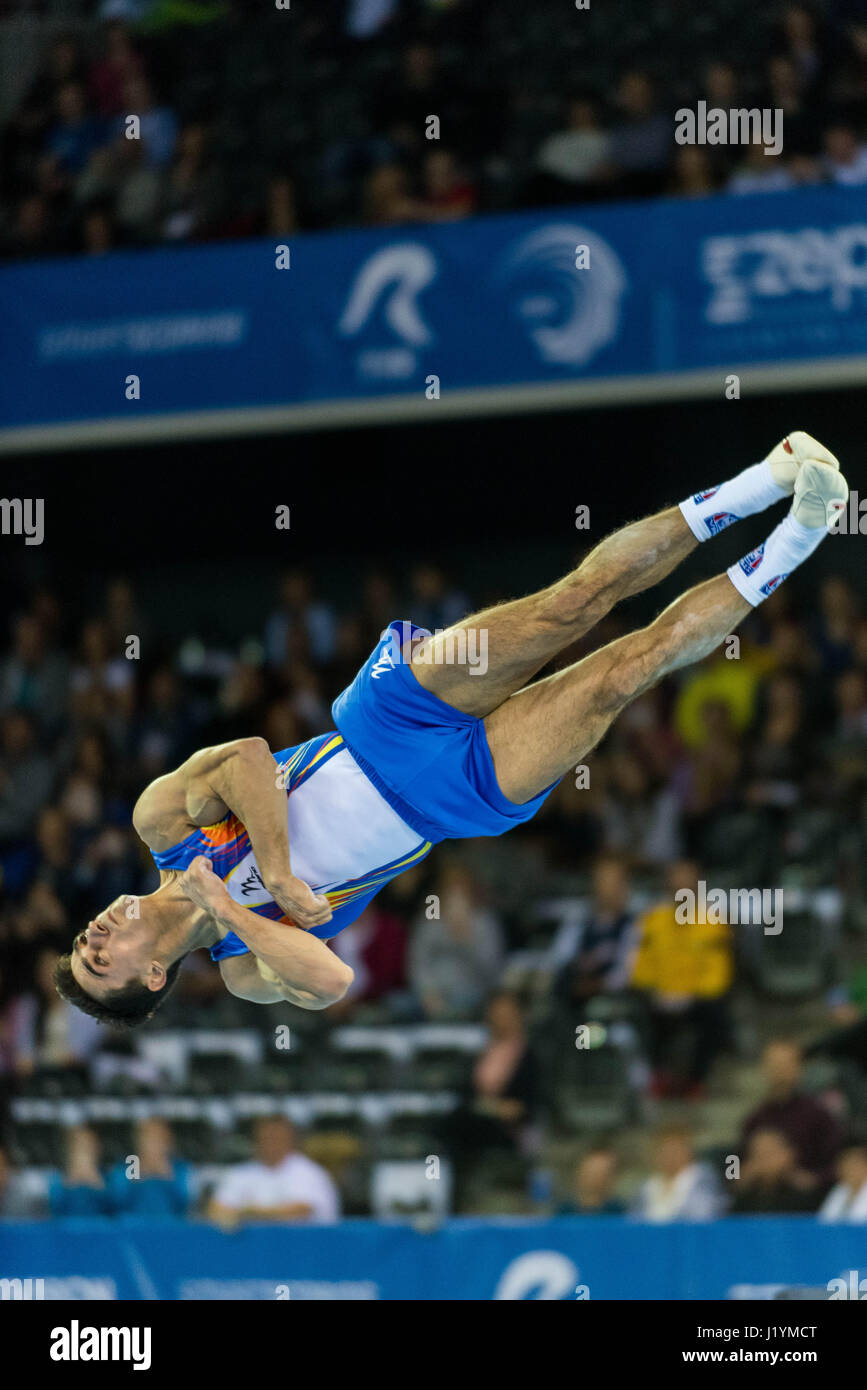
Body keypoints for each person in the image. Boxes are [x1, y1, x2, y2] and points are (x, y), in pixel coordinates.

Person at [54, 433, 848, 1028]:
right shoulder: (242, 968)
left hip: (384, 720)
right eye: (100, 958)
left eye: (81, 941)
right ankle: (796, 539)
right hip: (451, 800)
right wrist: (231, 911)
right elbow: (329, 985)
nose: (93, 933)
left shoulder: (158, 825)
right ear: (152, 975)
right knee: (624, 671)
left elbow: (248, 758)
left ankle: (759, 480)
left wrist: (274, 868)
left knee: (570, 605)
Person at [739, 1039, 843, 1187]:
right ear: (763, 1068)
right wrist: (743, 1173)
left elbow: (839, 1162)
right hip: (759, 1200)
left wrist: (811, 1179)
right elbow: (733, 1159)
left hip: (804, 1202)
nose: (779, 1071)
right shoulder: (755, 1119)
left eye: (785, 1064)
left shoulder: (818, 1115)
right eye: (773, 1065)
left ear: (799, 1068)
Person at [207, 1116, 339, 1227]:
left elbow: (301, 1210)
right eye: (266, 1137)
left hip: (305, 1248)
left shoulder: (309, 1172)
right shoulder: (240, 1174)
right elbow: (215, 1209)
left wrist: (247, 1212)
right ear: (256, 1140)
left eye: (277, 1137)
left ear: (290, 1139)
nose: (271, 1143)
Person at [633, 1124, 723, 1222]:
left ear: (688, 1150)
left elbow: (705, 1215)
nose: (670, 1155)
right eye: (665, 1150)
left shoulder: (705, 1180)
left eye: (676, 1149)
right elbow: (634, 1220)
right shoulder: (648, 1186)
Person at [818, 1142, 867, 1222]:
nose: (848, 1169)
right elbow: (824, 1221)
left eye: (854, 1164)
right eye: (844, 1164)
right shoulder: (839, 1189)